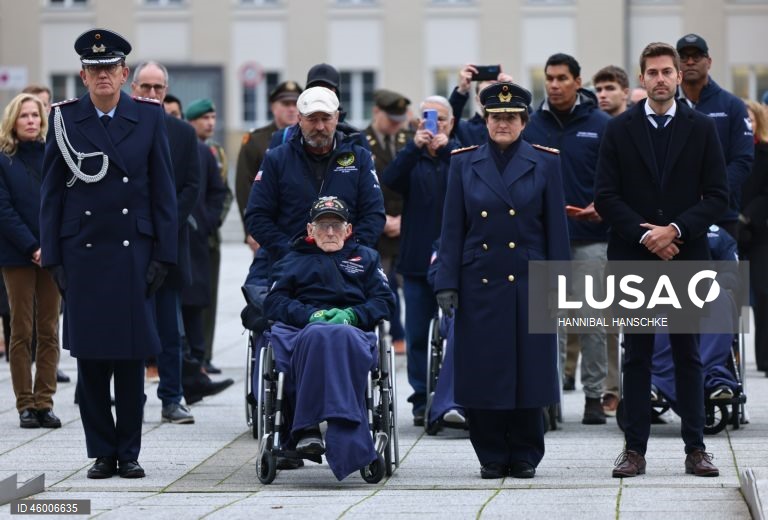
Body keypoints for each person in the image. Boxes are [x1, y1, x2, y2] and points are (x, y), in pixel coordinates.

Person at [40, 28, 177, 479]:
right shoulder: (63, 120)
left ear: (124, 74)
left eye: (110, 68)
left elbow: (163, 191)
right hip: (83, 254)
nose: (102, 75)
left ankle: (130, 451)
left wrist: (165, 254)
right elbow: (51, 196)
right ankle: (102, 451)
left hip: (133, 252)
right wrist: (55, 259)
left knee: (131, 359)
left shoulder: (150, 117)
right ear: (83, 75)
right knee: (93, 360)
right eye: (94, 69)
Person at [594, 41, 728, 478]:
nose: (660, 79)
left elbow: (718, 196)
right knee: (637, 353)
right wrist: (648, 234)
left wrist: (676, 231)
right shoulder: (619, 129)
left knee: (689, 354)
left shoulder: (702, 127)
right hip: (634, 255)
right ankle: (634, 450)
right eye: (652, 72)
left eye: (667, 71)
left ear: (677, 76)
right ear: (642, 78)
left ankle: (696, 448)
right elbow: (606, 197)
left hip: (686, 255)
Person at [434, 82, 570, 479]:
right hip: (480, 281)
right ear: (485, 120)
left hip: (530, 280)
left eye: (511, 117)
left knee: (531, 369)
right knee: (484, 369)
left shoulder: (546, 162)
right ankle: (490, 453)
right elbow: (452, 228)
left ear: (524, 121)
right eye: (496, 117)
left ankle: (526, 452)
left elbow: (556, 230)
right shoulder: (464, 162)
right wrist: (447, 282)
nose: (503, 124)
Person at [263, 196, 395, 481]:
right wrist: (311, 315)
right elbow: (273, 304)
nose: (331, 233)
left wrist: (352, 315)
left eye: (336, 226)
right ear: (310, 230)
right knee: (320, 333)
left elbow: (385, 301)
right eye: (324, 226)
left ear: (348, 230)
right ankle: (341, 437)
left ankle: (307, 428)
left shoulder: (366, 258)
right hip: (303, 332)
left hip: (352, 331)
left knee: (335, 334)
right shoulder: (292, 259)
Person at [522, 53, 612, 425]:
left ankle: (594, 396)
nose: (554, 85)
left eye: (562, 78)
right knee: (551, 323)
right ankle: (549, 398)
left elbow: (615, 176)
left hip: (591, 235)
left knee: (593, 322)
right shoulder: (531, 124)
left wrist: (603, 205)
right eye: (549, 78)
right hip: (545, 239)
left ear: (578, 81)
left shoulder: (601, 124)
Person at [243, 86, 384, 285]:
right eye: (312, 119)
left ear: (336, 118)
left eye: (325, 119)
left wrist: (348, 250)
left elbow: (374, 214)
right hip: (289, 271)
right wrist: (290, 251)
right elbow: (257, 216)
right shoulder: (277, 159)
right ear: (299, 119)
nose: (319, 127)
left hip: (347, 271)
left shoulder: (359, 158)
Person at [381, 94, 460, 426]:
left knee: (456, 331)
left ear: (452, 123)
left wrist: (444, 149)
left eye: (441, 118)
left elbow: (472, 179)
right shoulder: (410, 156)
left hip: (454, 260)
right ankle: (419, 397)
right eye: (428, 118)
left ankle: (454, 396)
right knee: (416, 334)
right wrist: (415, 147)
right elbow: (390, 181)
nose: (435, 124)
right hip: (414, 259)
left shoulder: (459, 155)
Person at [130, 61, 200, 424]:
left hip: (169, 245)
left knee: (170, 329)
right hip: (129, 245)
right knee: (128, 326)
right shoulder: (123, 128)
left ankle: (172, 397)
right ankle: (129, 398)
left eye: (159, 88)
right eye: (146, 87)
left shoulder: (183, 134)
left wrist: (165, 225)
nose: (152, 94)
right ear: (134, 89)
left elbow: (192, 186)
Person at [0, 92, 62, 429]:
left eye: (36, 116)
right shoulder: (3, 159)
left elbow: (60, 204)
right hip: (17, 255)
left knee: (50, 330)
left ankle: (45, 401)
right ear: (13, 120)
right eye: (24, 116)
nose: (31, 121)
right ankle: (24, 403)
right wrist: (32, 247)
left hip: (50, 255)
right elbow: (4, 210)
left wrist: (49, 247)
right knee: (21, 330)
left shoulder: (53, 156)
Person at [676, 33, 754, 239]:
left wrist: (712, 193)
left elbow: (743, 160)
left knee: (722, 272)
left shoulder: (732, 105)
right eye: (684, 57)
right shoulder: (666, 105)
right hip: (673, 218)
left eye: (697, 56)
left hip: (721, 215)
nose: (690, 62)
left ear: (709, 62)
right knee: (678, 273)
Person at [591, 65, 631, 417]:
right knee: (604, 320)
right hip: (593, 232)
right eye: (598, 89)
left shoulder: (635, 127)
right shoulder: (593, 125)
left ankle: (642, 385)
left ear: (625, 91)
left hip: (631, 233)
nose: (603, 94)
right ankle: (611, 387)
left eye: (609, 88)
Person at [364, 89, 412, 355]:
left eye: (400, 118)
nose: (396, 124)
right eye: (391, 118)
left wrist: (405, 219)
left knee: (410, 284)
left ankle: (408, 334)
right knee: (384, 283)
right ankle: (395, 333)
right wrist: (380, 220)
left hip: (407, 226)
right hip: (377, 229)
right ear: (376, 112)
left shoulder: (410, 139)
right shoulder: (361, 141)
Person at [185, 98, 230, 374]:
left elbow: (222, 192)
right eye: (205, 118)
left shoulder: (214, 152)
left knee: (205, 298)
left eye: (213, 118)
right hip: (183, 234)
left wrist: (209, 222)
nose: (210, 123)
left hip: (205, 237)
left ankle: (203, 355)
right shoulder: (185, 146)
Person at [236, 80, 302, 245]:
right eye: (286, 103)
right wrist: (250, 230)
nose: (292, 108)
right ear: (273, 107)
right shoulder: (255, 140)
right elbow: (244, 186)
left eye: (296, 103)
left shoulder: (310, 139)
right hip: (267, 227)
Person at [740, 99, 768, 372]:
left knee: (763, 291)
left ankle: (765, 357)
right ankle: (728, 356)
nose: (746, 125)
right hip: (727, 227)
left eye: (750, 119)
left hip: (760, 230)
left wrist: (746, 216)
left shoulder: (766, 153)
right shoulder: (726, 153)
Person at [447, 64, 515, 146]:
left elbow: (530, 123)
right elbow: (448, 121)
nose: (491, 98)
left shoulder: (514, 126)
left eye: (495, 93)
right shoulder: (465, 129)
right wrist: (462, 90)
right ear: (477, 99)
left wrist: (513, 93)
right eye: (485, 94)